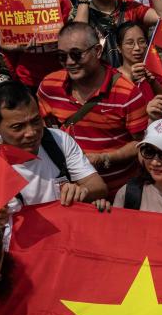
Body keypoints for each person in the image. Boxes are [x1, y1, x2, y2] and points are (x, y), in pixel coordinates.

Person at [37, 23, 148, 194]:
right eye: (61, 56)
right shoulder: (49, 86)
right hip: (71, 195)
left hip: (118, 194)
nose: (69, 62)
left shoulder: (127, 93)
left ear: (97, 51)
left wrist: (105, 158)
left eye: (76, 55)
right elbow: (44, 133)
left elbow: (140, 143)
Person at [0, 80, 107, 206]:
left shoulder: (58, 140)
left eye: (36, 121)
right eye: (18, 127)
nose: (31, 132)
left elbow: (98, 186)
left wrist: (81, 192)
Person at [71, 0, 162, 67]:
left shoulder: (130, 8)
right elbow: (76, 39)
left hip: (131, 76)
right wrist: (83, 1)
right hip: (98, 76)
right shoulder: (81, 10)